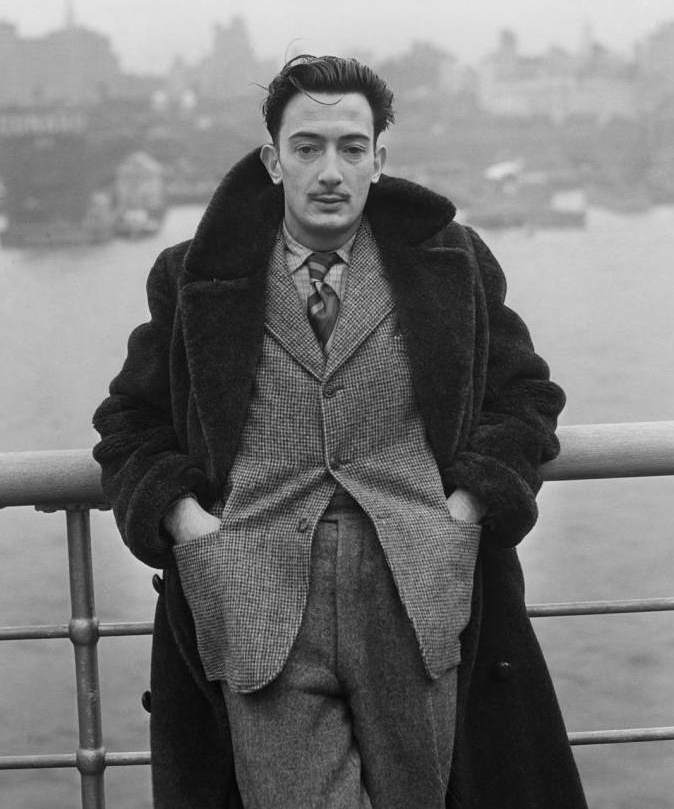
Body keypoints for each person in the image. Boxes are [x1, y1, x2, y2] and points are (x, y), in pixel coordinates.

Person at [92, 55, 587, 809]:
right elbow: (129, 421)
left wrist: (466, 512)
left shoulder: (451, 263)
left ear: (378, 160)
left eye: (352, 148)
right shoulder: (194, 276)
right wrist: (190, 528)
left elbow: (525, 397)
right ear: (273, 161)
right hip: (254, 595)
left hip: (419, 589)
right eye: (308, 147)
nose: (331, 171)